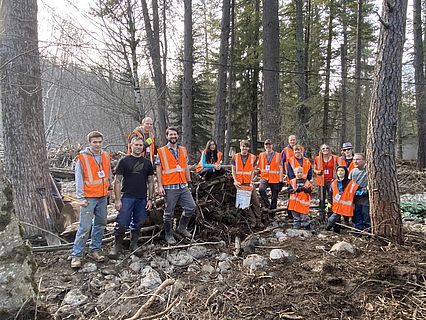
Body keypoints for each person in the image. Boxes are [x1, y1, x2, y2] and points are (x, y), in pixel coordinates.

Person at [71, 131, 112, 268]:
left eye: (100, 142)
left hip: (102, 196)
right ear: (90, 143)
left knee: (100, 224)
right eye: (95, 142)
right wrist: (81, 197)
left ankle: (95, 249)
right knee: (85, 226)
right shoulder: (82, 158)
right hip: (89, 198)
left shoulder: (105, 155)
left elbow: (108, 174)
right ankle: (76, 255)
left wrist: (109, 190)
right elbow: (79, 178)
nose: (98, 144)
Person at [109, 137, 155, 259]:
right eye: (136, 145)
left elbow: (150, 181)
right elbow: (117, 181)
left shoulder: (147, 163)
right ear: (131, 145)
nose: (139, 147)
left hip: (142, 198)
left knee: (139, 221)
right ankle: (117, 245)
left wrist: (150, 199)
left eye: (141, 145)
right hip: (127, 197)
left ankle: (133, 244)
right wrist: (117, 199)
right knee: (123, 222)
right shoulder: (124, 161)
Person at [156, 127, 196, 245]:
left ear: (178, 136)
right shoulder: (161, 151)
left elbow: (185, 167)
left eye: (175, 134)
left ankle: (181, 227)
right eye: (170, 135)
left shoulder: (183, 150)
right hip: (169, 186)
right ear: (167, 136)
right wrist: (160, 185)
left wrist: (189, 182)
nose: (173, 136)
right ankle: (168, 234)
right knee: (168, 212)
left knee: (191, 207)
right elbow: (158, 169)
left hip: (182, 185)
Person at [231, 140, 263, 229]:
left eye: (246, 147)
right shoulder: (235, 157)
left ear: (248, 148)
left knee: (255, 202)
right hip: (240, 184)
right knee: (244, 204)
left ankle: (259, 221)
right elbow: (233, 170)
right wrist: (235, 181)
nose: (244, 148)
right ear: (240, 147)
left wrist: (252, 182)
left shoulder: (253, 157)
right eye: (243, 146)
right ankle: (253, 222)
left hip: (249, 183)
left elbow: (253, 171)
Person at [326, 166, 358, 233]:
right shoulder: (333, 183)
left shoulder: (351, 183)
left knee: (345, 220)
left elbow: (357, 192)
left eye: (342, 171)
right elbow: (330, 194)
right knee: (333, 220)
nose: (340, 172)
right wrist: (329, 203)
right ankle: (331, 230)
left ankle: (345, 229)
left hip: (346, 206)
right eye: (338, 171)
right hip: (336, 206)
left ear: (346, 172)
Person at [258, 139, 283, 217]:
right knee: (261, 190)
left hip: (275, 178)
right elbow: (258, 166)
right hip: (264, 177)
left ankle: (272, 213)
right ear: (264, 146)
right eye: (266, 144)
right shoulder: (261, 155)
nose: (268, 146)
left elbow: (281, 168)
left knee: (274, 196)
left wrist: (281, 179)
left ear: (272, 145)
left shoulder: (278, 155)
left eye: (269, 144)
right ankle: (267, 205)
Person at [313, 144, 338, 220]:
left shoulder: (334, 158)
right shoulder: (317, 158)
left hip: (331, 181)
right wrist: (317, 172)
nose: (325, 149)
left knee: (330, 198)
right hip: (321, 181)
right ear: (321, 150)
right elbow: (314, 169)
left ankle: (330, 213)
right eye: (323, 148)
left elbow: (339, 167)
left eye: (327, 148)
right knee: (322, 198)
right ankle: (321, 214)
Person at [349, 153, 370, 232]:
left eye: (358, 159)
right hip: (355, 199)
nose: (355, 161)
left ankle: (367, 233)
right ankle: (357, 232)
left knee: (366, 215)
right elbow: (349, 185)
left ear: (364, 161)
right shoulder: (352, 172)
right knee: (356, 216)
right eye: (354, 160)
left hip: (366, 199)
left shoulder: (369, 171)